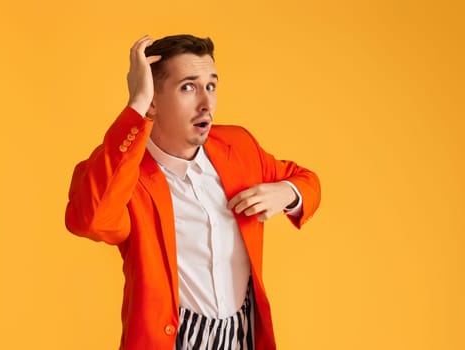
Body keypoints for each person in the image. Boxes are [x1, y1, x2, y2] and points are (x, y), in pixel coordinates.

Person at [65, 34, 321, 350]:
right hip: (175, 340)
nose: (207, 103)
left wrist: (286, 191)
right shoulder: (125, 174)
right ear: (153, 101)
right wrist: (136, 107)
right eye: (188, 87)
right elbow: (90, 220)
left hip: (243, 336)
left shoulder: (238, 148)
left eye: (211, 86)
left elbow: (307, 181)